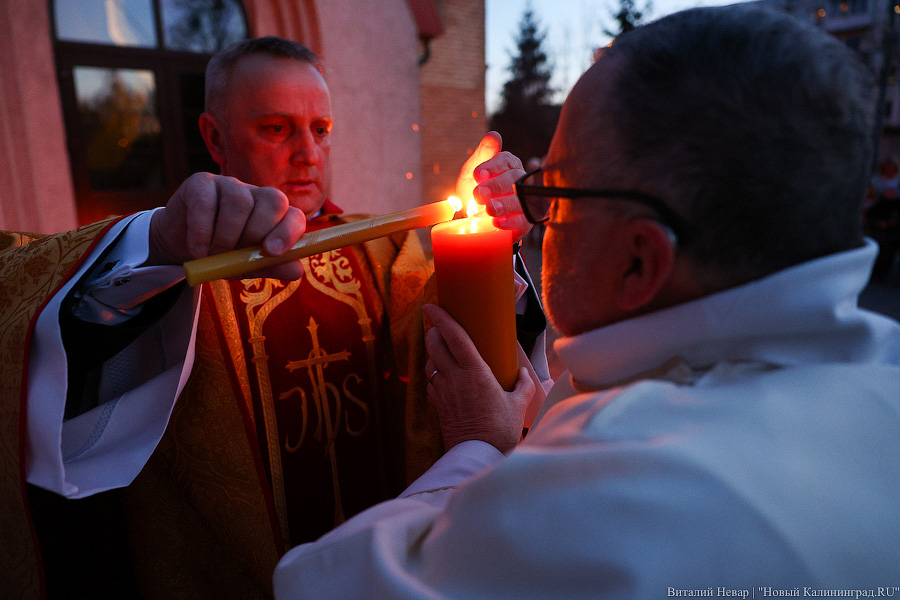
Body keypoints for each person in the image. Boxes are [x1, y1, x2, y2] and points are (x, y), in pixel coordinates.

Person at [273, 6, 900, 597]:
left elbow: (317, 583)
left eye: (555, 189)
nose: (536, 216)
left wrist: (479, 450)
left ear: (639, 261)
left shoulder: (608, 508)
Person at [0, 38, 546, 599]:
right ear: (214, 137)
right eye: (276, 128)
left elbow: (450, 358)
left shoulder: (386, 252)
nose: (308, 152)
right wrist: (155, 250)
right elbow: (49, 336)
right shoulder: (171, 261)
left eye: (322, 129)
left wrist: (495, 250)